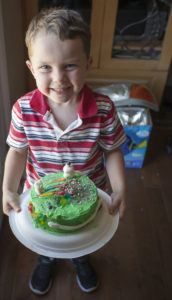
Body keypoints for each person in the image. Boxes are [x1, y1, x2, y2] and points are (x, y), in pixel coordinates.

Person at [2, 7, 127, 295]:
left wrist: (119, 188)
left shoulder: (104, 109)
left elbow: (113, 152)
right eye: (45, 67)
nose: (58, 78)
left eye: (70, 65)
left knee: (81, 235)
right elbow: (17, 152)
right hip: (41, 194)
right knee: (47, 235)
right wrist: (8, 188)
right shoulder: (23, 110)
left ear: (88, 64)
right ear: (31, 68)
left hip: (90, 194)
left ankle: (81, 258)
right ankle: (46, 259)